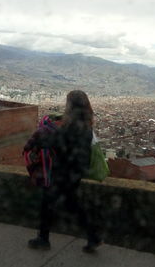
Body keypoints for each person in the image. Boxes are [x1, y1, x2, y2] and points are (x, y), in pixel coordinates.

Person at [27, 90, 102, 253]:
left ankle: (43, 239)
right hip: (76, 171)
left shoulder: (72, 125)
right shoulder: (86, 124)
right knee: (73, 204)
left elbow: (55, 142)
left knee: (48, 204)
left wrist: (36, 143)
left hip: (64, 172)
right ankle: (93, 236)